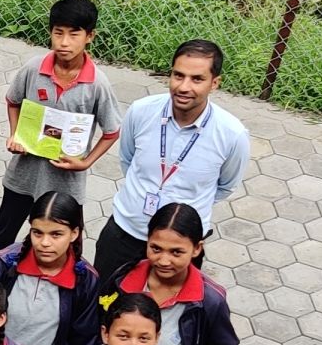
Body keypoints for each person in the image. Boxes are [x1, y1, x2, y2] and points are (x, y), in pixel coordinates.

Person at [97, 40, 249, 288]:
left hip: (180, 248)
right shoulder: (141, 111)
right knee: (104, 306)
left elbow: (224, 186)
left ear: (215, 83)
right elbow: (127, 159)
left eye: (197, 79)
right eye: (178, 75)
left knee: (170, 317)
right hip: (126, 230)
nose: (184, 87)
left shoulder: (232, 134)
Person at [0, 0, 121, 253]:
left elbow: (112, 131)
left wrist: (85, 163)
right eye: (58, 33)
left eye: (74, 34)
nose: (64, 42)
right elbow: (13, 101)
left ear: (90, 36)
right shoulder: (33, 69)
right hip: (23, 175)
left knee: (70, 245)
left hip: (67, 182)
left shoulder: (97, 84)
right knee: (3, 234)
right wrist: (16, 135)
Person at [98, 202, 238, 345]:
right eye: (156, 248)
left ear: (197, 249)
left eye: (176, 252)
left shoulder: (208, 300)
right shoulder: (123, 280)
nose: (163, 261)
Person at [0, 191, 98, 345]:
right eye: (37, 233)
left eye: (56, 234)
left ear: (74, 233)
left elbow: (81, 342)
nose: (44, 243)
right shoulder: (4, 264)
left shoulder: (85, 280)